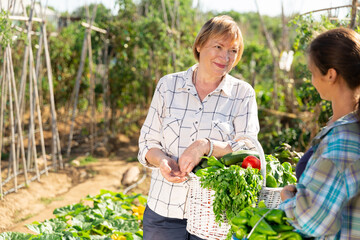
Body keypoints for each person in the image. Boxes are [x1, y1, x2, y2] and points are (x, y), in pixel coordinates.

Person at [138, 15, 259, 240]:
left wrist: (205, 146)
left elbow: (248, 148)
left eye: (233, 50)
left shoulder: (243, 94)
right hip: (163, 211)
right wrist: (162, 162)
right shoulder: (168, 86)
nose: (225, 56)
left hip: (214, 217)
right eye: (218, 46)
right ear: (199, 44)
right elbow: (148, 142)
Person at [280, 28, 360, 239]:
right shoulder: (344, 125)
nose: (312, 80)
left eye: (312, 72)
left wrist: (288, 199)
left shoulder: (344, 140)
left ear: (331, 75)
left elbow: (311, 221)